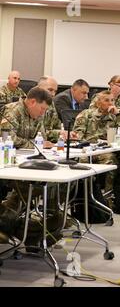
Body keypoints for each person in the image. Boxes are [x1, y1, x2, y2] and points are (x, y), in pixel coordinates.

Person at [0, 87, 63, 248]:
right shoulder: (13, 111)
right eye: (42, 109)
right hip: (8, 160)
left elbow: (40, 138)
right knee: (29, 187)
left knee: (40, 185)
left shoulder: (37, 115)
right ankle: (10, 222)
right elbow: (7, 137)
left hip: (26, 160)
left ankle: (11, 221)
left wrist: (41, 145)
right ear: (32, 102)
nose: (42, 113)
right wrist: (34, 144)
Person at [73, 90, 120, 193]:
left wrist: (118, 115)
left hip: (104, 150)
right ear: (98, 103)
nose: (110, 103)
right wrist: (86, 146)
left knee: (111, 160)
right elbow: (78, 135)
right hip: (86, 150)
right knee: (82, 161)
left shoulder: (114, 117)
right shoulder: (86, 114)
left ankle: (107, 195)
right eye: (106, 100)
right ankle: (84, 193)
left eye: (112, 100)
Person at [37, 76, 77, 143]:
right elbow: (38, 134)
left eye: (55, 91)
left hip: (49, 145)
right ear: (39, 89)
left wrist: (65, 134)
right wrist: (59, 133)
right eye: (50, 90)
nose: (53, 94)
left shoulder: (51, 103)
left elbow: (56, 126)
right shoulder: (33, 105)